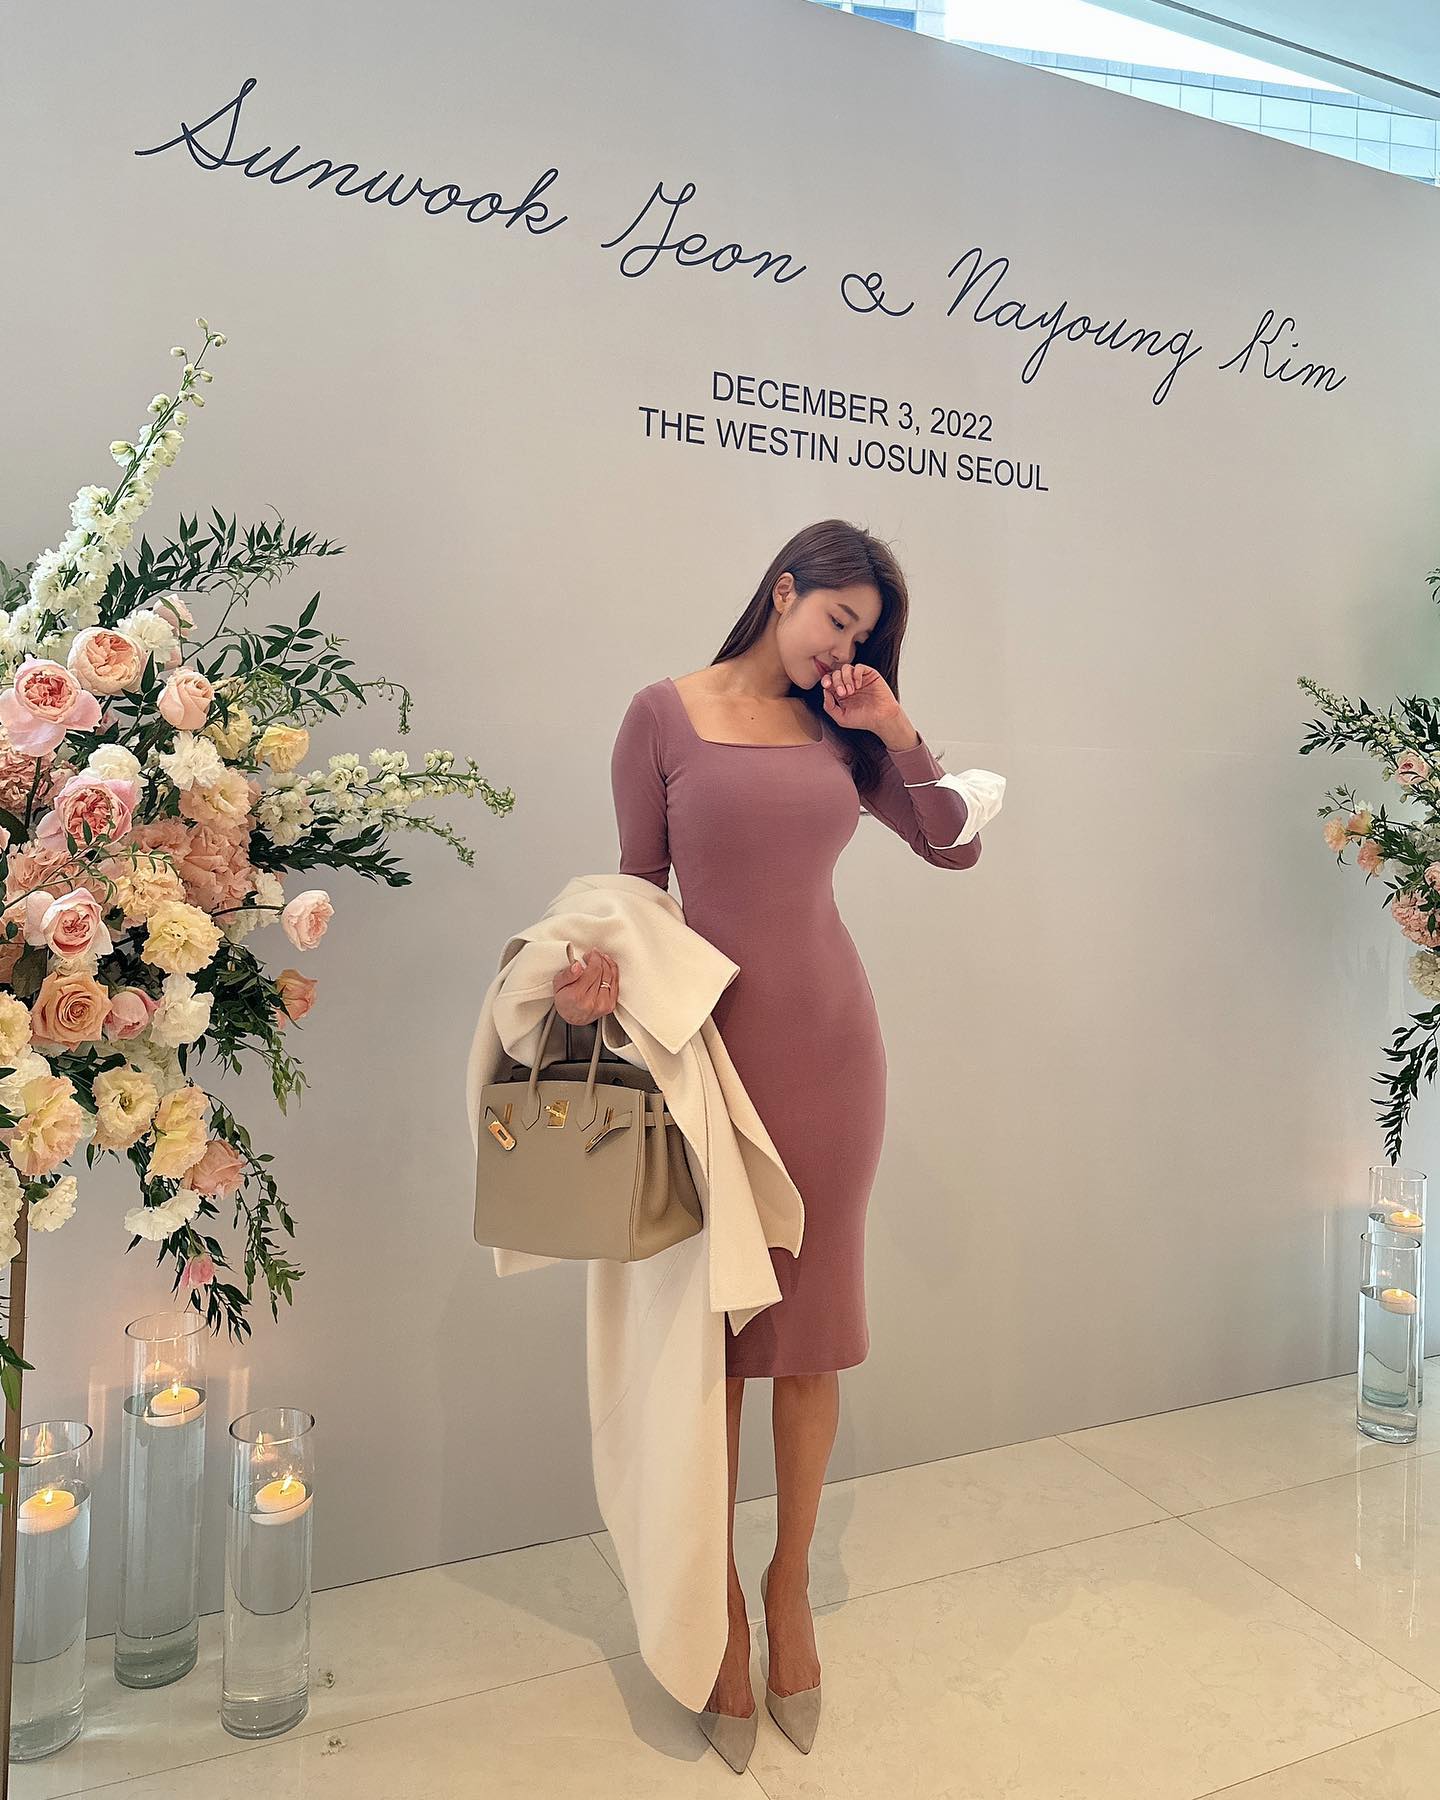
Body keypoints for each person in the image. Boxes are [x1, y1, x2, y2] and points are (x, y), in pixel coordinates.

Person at [551, 517, 987, 1770]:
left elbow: (954, 842)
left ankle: (788, 1587)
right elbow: (638, 897)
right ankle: (718, 1605)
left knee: (813, 1335)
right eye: (838, 621)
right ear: (784, 589)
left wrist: (894, 727)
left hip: (833, 1051)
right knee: (722, 1344)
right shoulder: (661, 717)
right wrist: (588, 983)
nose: (844, 650)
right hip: (709, 1061)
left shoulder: (846, 731)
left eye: (866, 637)